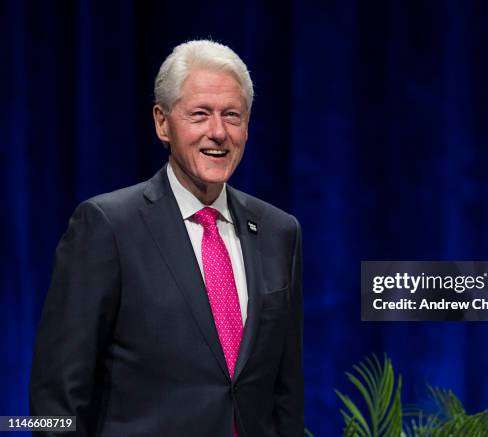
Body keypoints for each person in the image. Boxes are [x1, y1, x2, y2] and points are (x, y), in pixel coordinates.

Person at [29, 40, 303, 437]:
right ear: (162, 122)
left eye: (232, 115)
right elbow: (55, 398)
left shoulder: (280, 232)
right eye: (199, 114)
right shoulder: (107, 226)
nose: (218, 132)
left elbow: (286, 396)